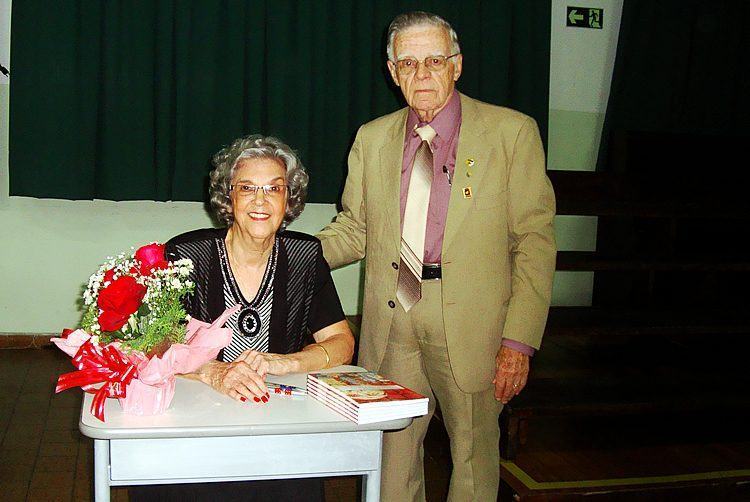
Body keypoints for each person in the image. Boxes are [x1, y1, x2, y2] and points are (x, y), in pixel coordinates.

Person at [317, 11, 556, 502]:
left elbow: (534, 242)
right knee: (393, 460)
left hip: (474, 323)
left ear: (457, 65)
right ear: (392, 71)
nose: (421, 74)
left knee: (473, 457)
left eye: (433, 60)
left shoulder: (511, 134)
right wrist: (285, 258)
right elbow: (355, 229)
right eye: (407, 63)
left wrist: (519, 341)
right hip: (393, 318)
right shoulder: (372, 137)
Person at [132, 134, 355, 502]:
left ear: (289, 199)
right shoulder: (187, 254)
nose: (260, 201)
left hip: (274, 423)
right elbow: (153, 344)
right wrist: (212, 371)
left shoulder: (305, 257)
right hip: (193, 423)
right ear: (228, 196)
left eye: (274, 189)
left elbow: (342, 343)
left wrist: (284, 362)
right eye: (247, 187)